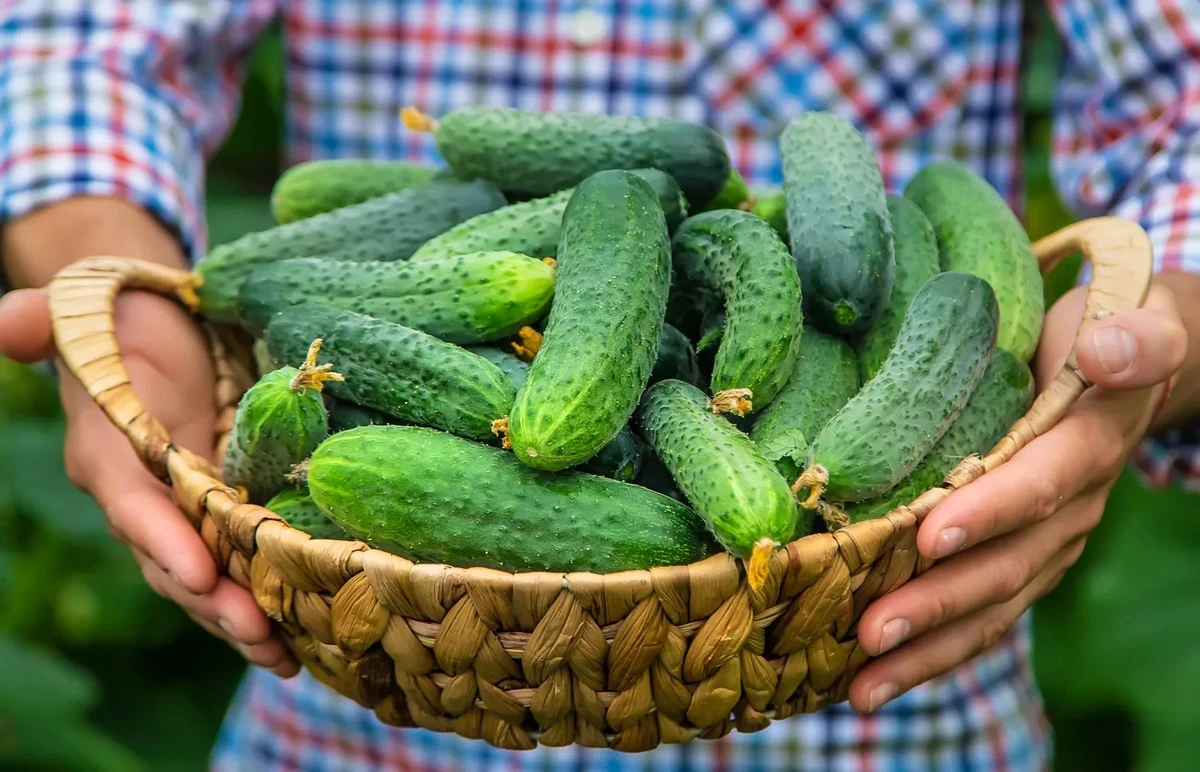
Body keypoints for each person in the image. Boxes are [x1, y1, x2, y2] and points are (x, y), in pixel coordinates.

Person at [0, 1, 1196, 769]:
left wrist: (1153, 334)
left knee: (735, 344)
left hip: (890, 667)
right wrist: (122, 298)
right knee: (479, 365)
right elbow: (83, 38)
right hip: (370, 689)